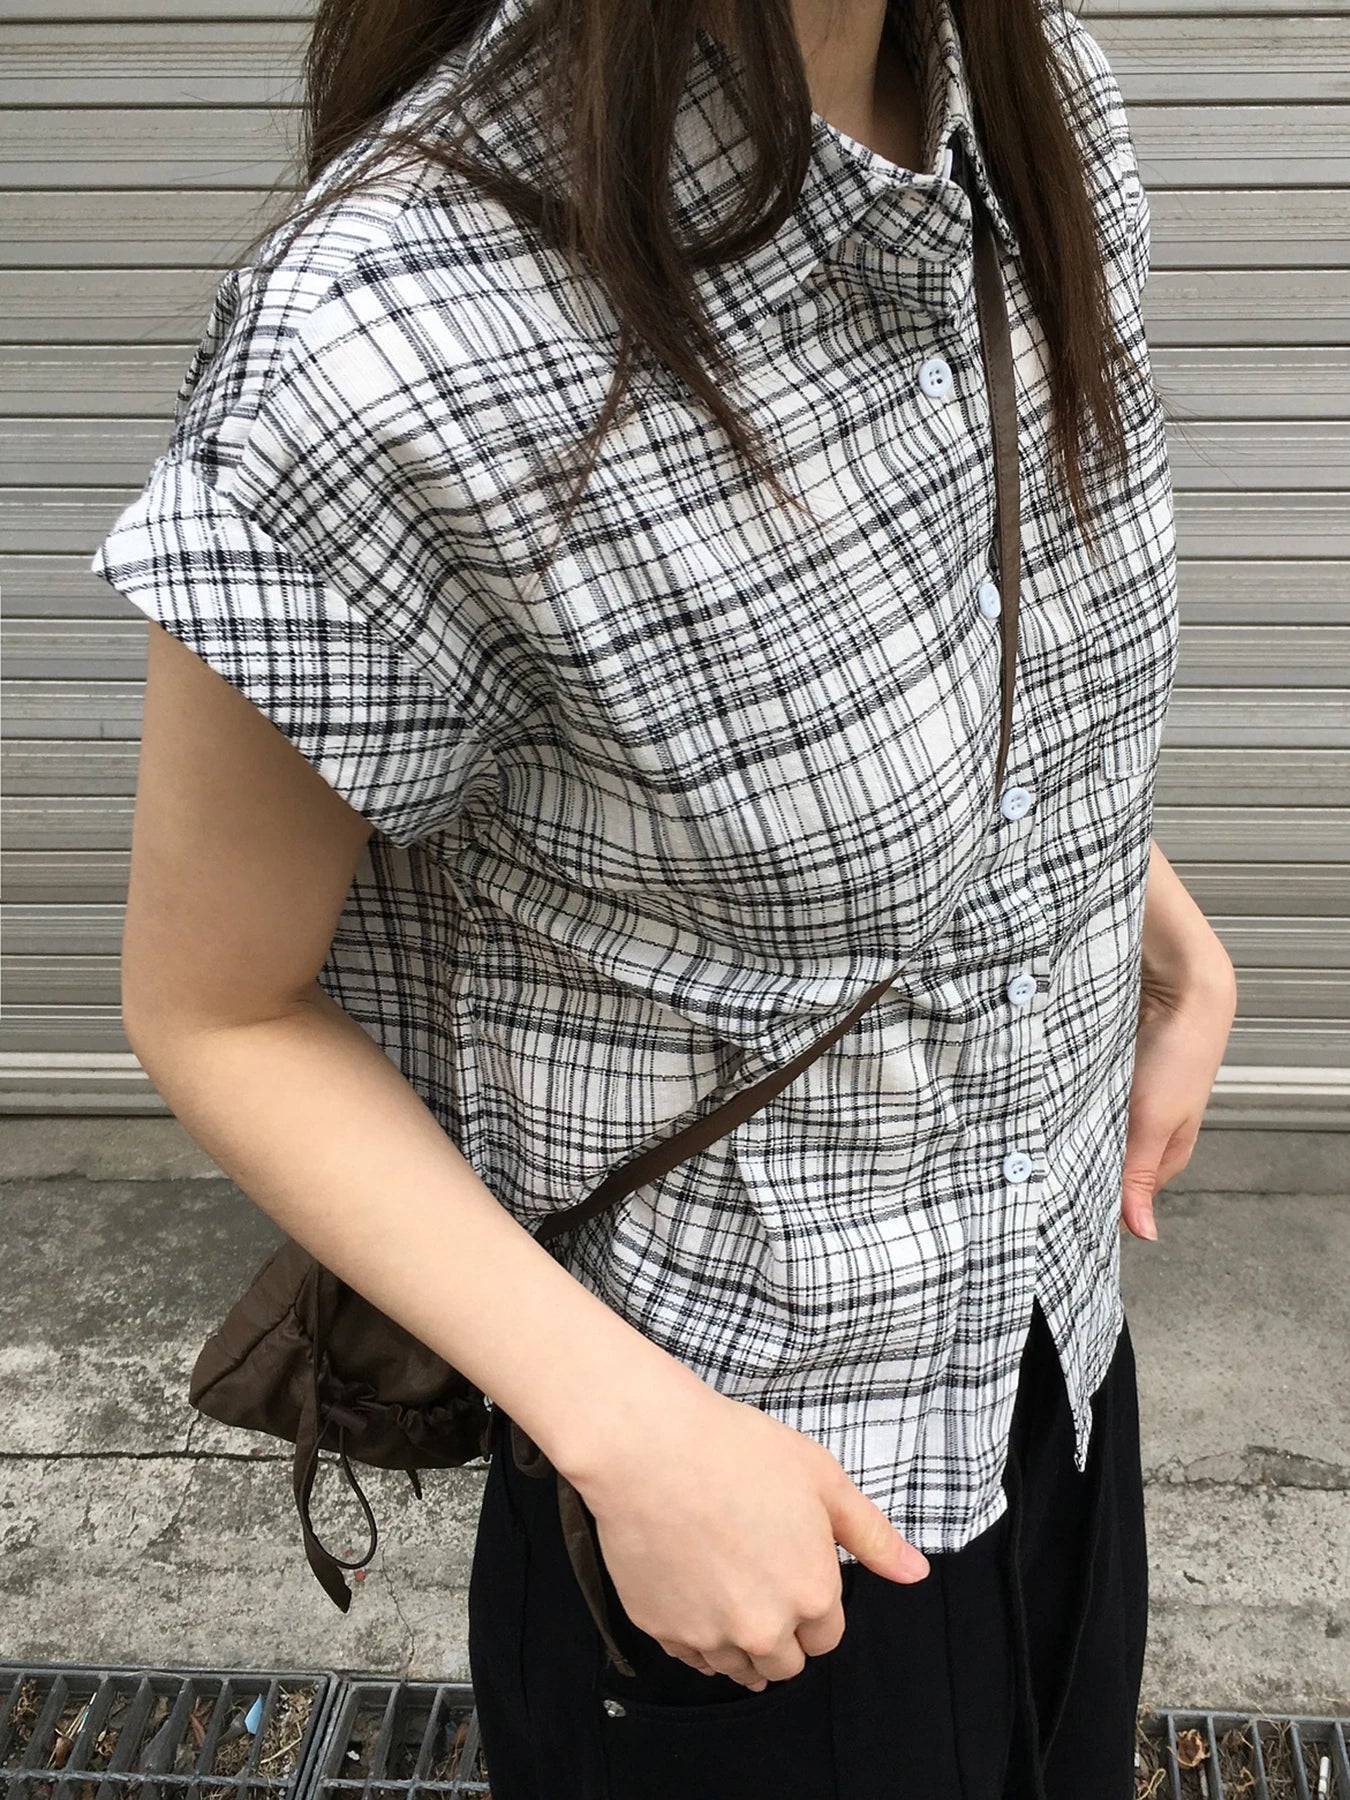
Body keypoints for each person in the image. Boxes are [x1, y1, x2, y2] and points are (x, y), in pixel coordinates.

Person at [92, 0, 1238, 1793]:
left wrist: (1152, 923)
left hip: (1049, 1346)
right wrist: (627, 1433)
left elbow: (967, 649)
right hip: (731, 1483)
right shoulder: (402, 329)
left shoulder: (1032, 103)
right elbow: (216, 1004)